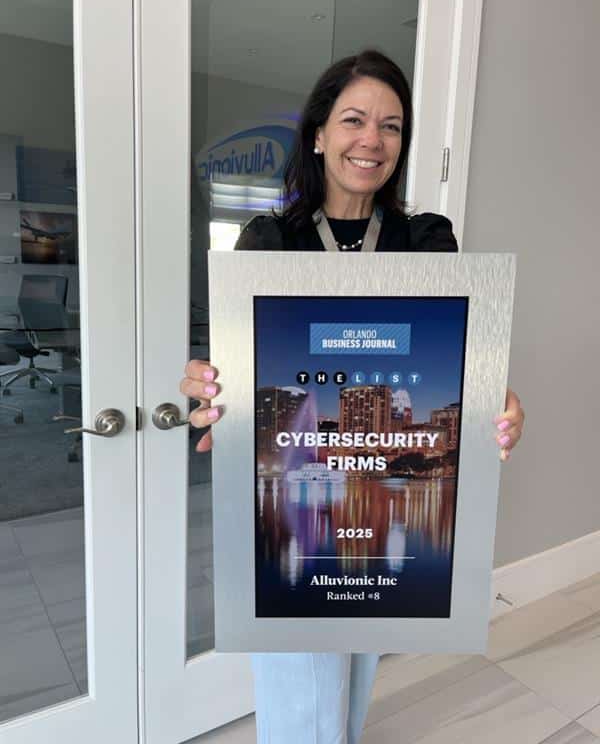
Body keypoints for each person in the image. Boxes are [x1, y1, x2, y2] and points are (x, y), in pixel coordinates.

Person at [180, 49, 525, 743]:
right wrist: (207, 387)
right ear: (318, 132)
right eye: (354, 119)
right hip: (284, 504)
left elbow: (455, 347)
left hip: (367, 522)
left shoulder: (423, 239)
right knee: (301, 693)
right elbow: (224, 362)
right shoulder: (268, 241)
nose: (373, 140)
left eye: (391, 125)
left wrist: (494, 394)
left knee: (355, 675)